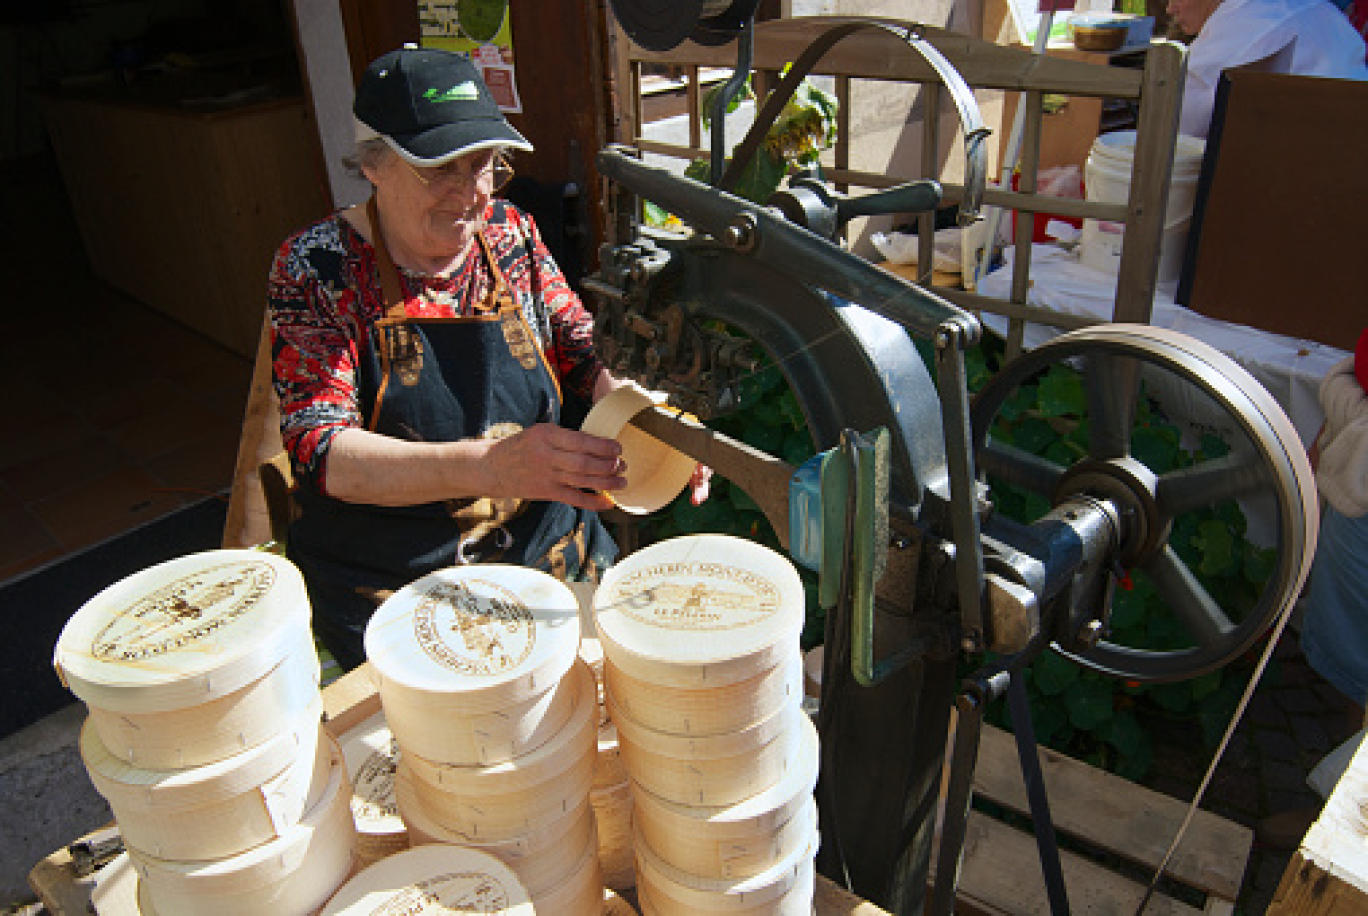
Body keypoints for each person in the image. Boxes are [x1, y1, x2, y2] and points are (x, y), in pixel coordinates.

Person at [268, 45, 708, 670]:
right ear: (374, 162)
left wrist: (651, 425)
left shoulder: (508, 231)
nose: (470, 195)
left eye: (483, 166)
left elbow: (583, 350)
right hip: (405, 594)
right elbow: (322, 453)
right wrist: (492, 467)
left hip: (549, 561)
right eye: (441, 169)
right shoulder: (319, 268)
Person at [1165, 0, 1368, 138]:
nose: (1170, 8)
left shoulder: (1245, 20)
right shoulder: (1321, 10)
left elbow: (1176, 123)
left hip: (1310, 171)